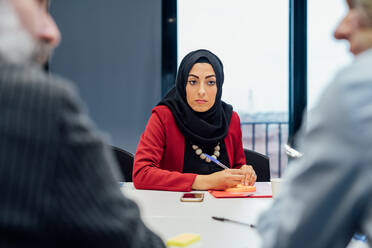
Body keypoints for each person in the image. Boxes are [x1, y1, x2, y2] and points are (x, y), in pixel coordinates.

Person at [0, 0, 164, 247]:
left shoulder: (230, 120)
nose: (52, 34)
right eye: (40, 7)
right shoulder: (40, 103)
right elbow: (126, 236)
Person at [257, 0, 372, 247]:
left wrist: (303, 175)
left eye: (353, 9)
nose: (339, 30)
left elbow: (291, 240)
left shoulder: (356, 91)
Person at [133, 49, 257, 191]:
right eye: (193, 82)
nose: (201, 91)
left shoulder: (230, 119)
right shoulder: (164, 116)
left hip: (225, 209)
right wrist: (204, 181)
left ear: (219, 86)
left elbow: (236, 168)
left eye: (210, 82)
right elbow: (141, 173)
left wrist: (245, 172)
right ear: (182, 84)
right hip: (174, 208)